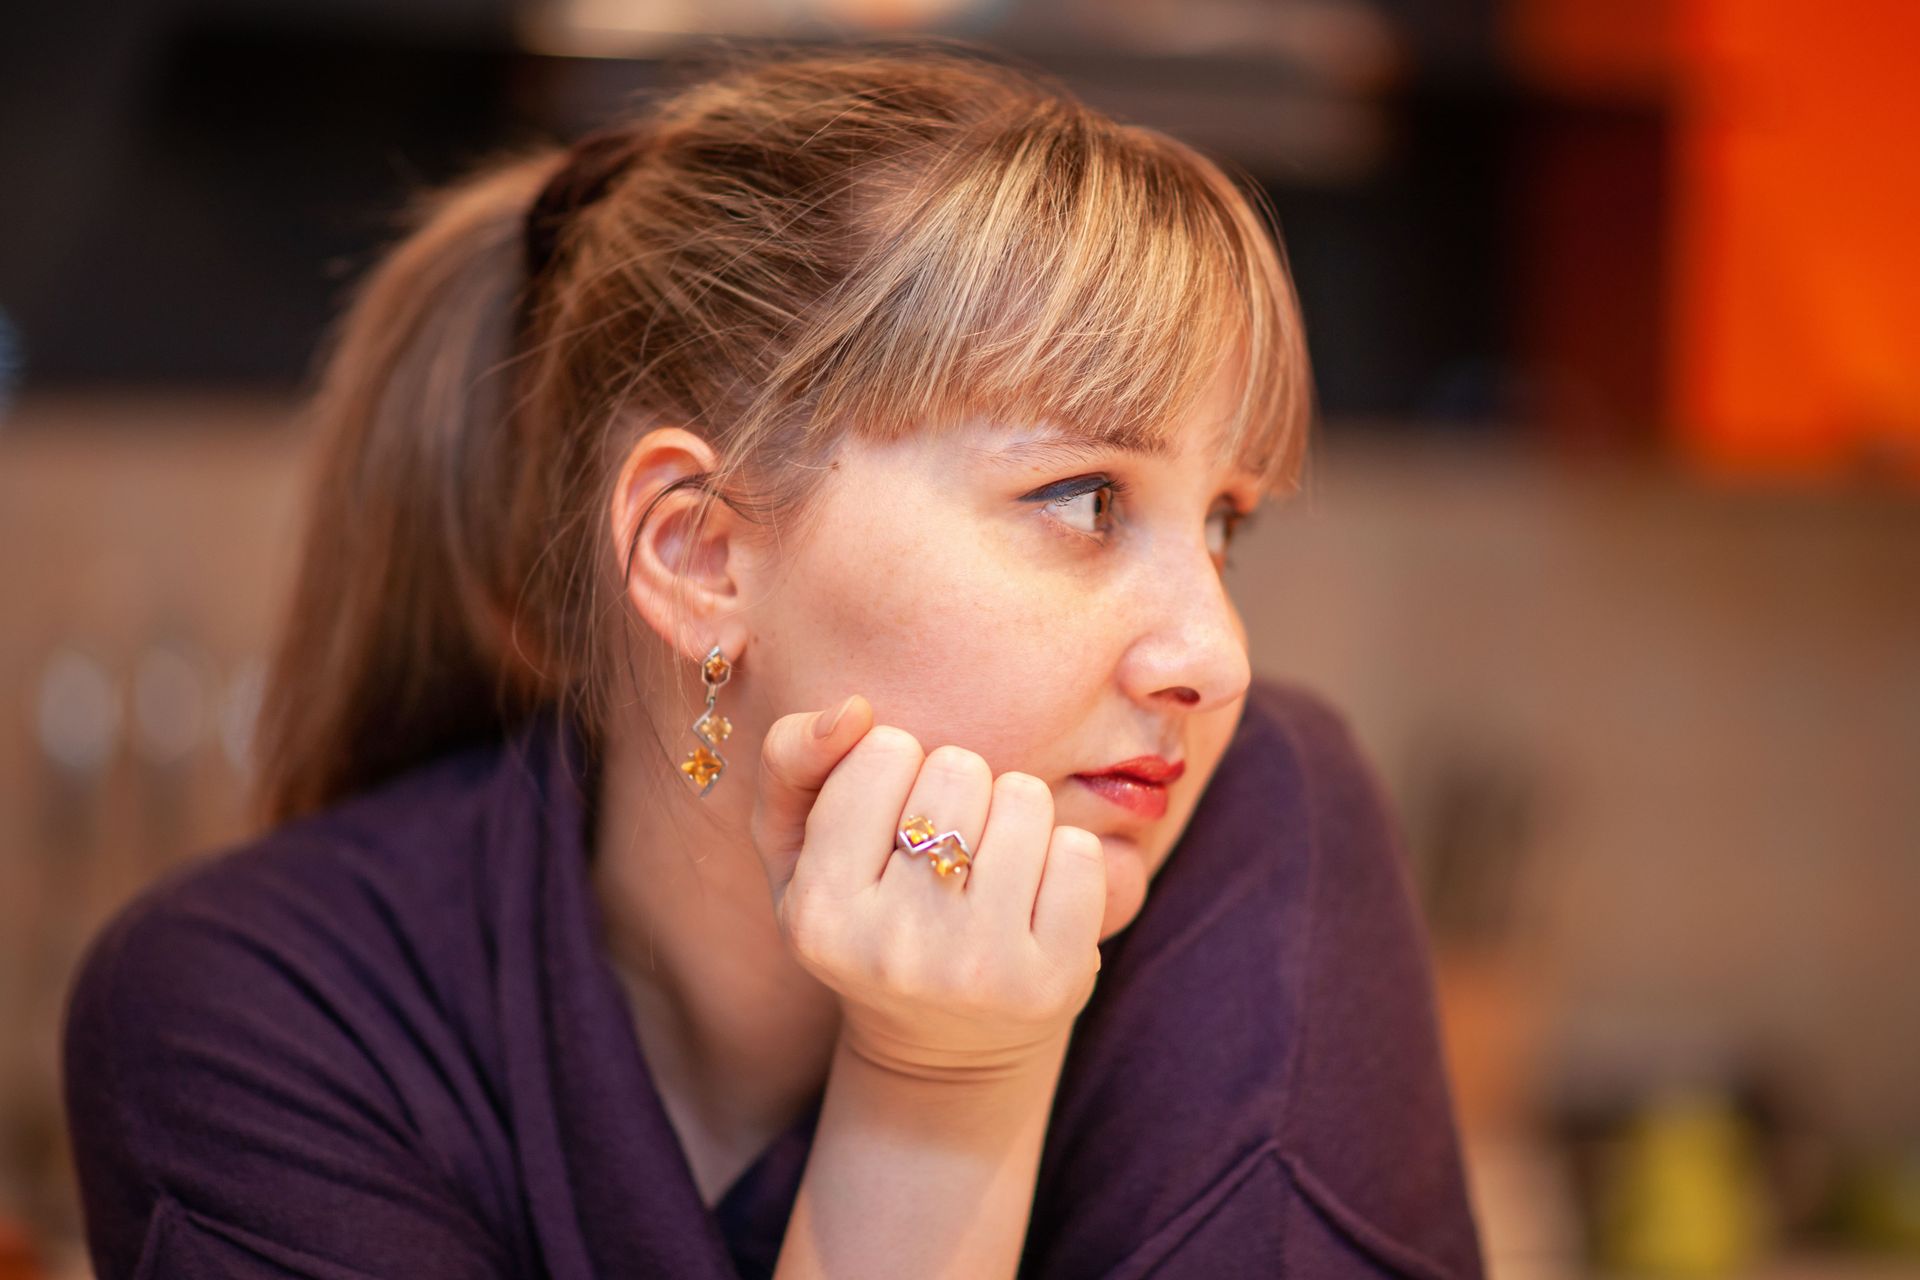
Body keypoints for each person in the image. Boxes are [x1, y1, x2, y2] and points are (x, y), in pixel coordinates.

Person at [60, 41, 1484, 1279]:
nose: (1215, 658)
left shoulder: (1255, 828)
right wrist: (944, 1091)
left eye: (1222, 524)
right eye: (1086, 500)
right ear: (700, 557)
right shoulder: (249, 1011)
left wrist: (951, 1072)